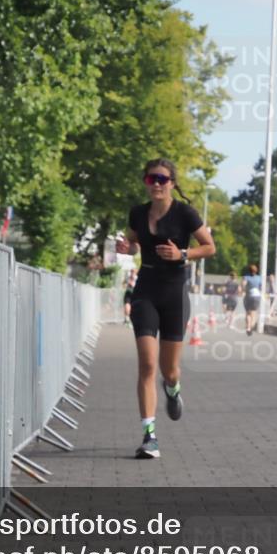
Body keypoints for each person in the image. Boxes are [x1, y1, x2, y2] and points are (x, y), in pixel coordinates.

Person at [115, 159, 215, 460]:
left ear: (172, 182)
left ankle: (172, 389)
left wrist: (182, 253)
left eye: (162, 178)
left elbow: (209, 246)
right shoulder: (138, 212)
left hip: (174, 293)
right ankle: (149, 436)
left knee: (168, 370)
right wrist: (127, 248)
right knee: (147, 364)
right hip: (145, 290)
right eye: (151, 179)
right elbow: (134, 242)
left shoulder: (184, 213)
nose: (156, 184)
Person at [242, 264, 262, 336]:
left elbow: (243, 285)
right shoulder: (259, 278)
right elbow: (261, 287)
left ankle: (248, 327)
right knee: (254, 313)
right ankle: (252, 326)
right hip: (257, 296)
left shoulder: (246, 277)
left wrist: (245, 290)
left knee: (248, 313)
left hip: (249, 296)